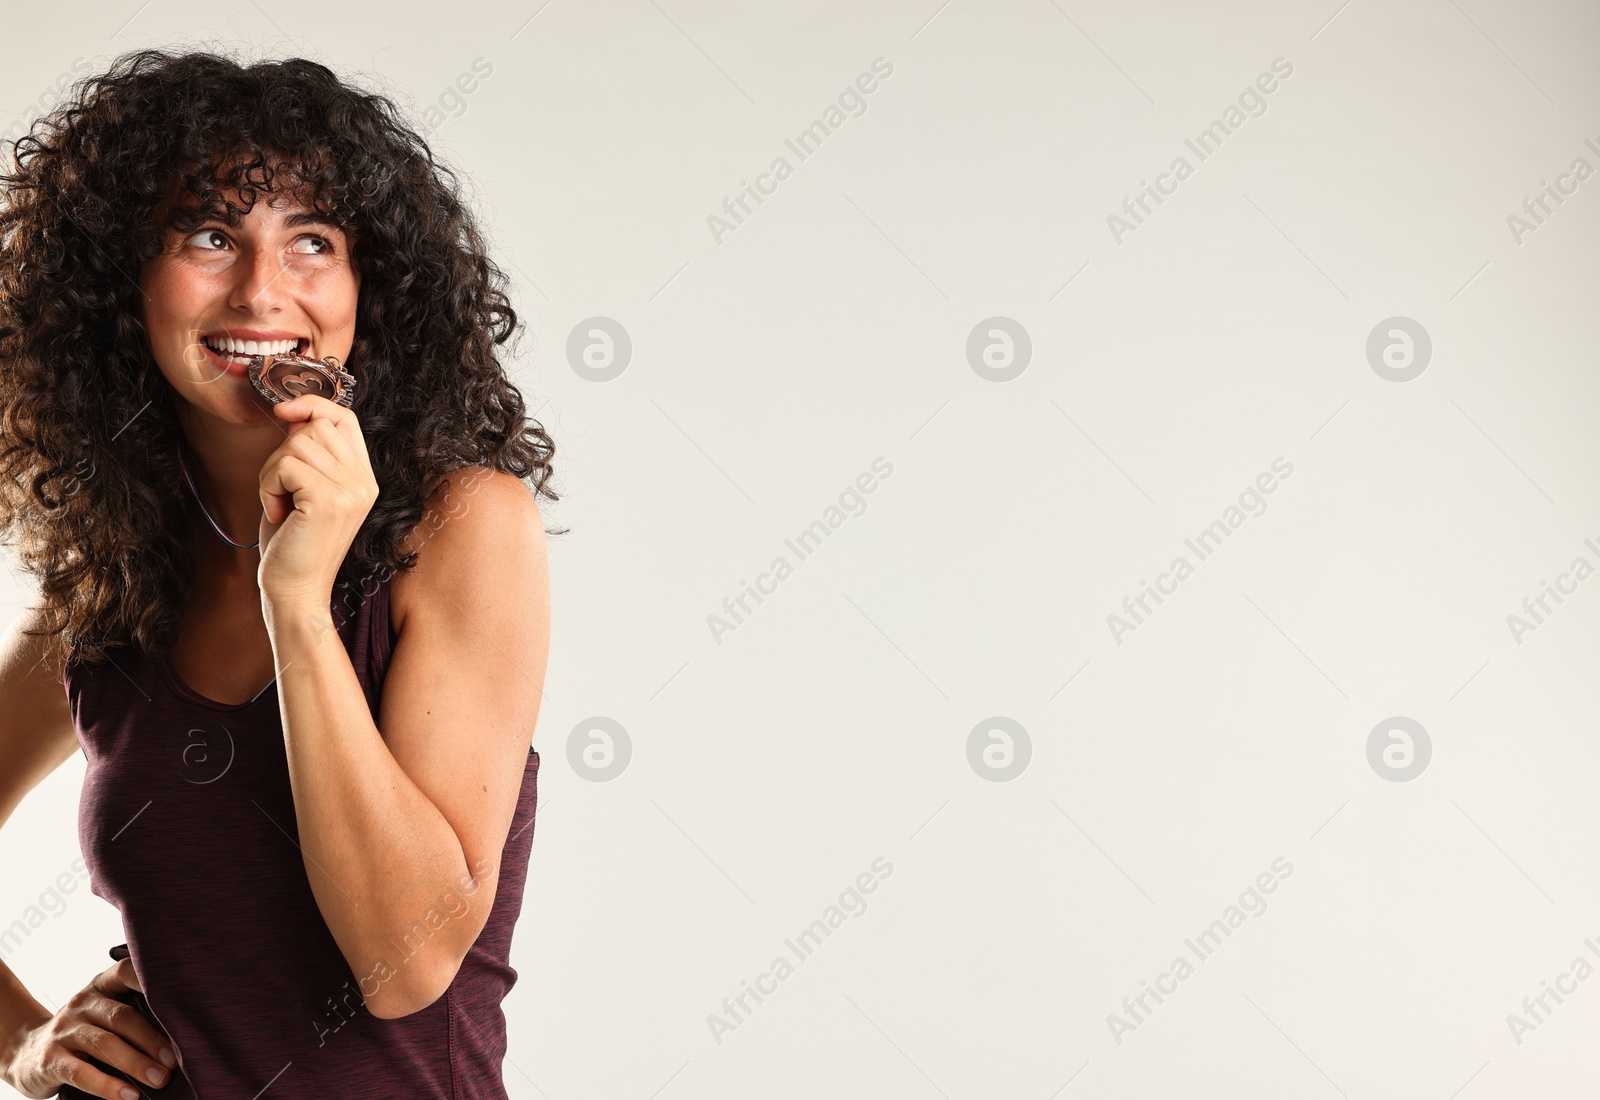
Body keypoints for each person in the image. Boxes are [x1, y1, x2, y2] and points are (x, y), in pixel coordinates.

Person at [0, 49, 558, 1099]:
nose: (264, 289)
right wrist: (25, 1041)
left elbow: (407, 964)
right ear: (121, 279)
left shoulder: (460, 528)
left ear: (369, 283)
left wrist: (297, 602)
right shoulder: (110, 581)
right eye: (210, 236)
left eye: (313, 239)